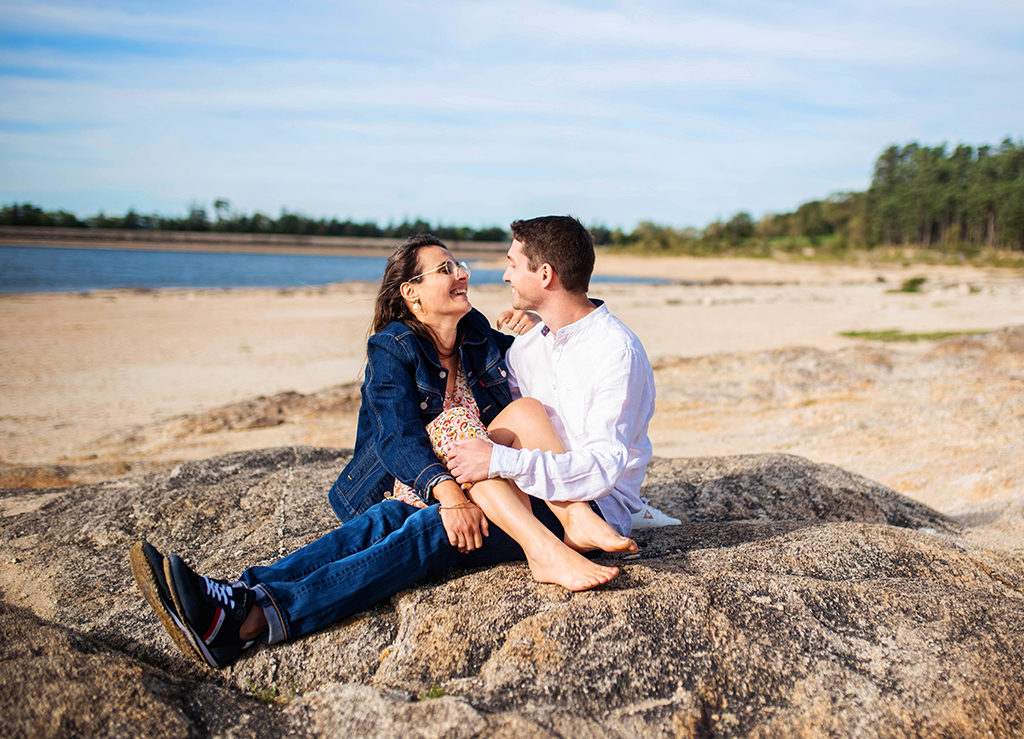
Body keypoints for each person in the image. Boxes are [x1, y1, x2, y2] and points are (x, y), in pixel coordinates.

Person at [131, 230, 634, 669]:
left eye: (458, 265)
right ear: (411, 293)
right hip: (444, 481)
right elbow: (396, 436)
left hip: (497, 488)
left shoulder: (482, 333)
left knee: (428, 527)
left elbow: (518, 391)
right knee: (385, 520)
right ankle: (238, 597)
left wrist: (526, 331)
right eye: (446, 269)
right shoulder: (394, 347)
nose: (463, 274)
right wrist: (448, 491)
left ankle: (255, 619)